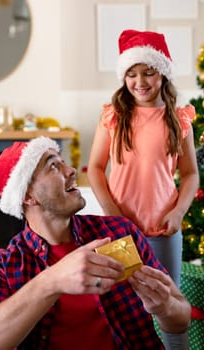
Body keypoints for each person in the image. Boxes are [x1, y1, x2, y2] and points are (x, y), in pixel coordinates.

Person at [0, 136, 190, 350]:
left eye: (63, 161)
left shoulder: (119, 232)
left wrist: (165, 307)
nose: (71, 170)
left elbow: (182, 318)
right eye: (54, 166)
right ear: (28, 195)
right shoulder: (4, 265)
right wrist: (51, 281)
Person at [88, 29, 199, 288]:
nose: (140, 81)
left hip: (163, 231)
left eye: (149, 72)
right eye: (131, 74)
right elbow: (95, 168)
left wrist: (178, 213)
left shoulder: (179, 120)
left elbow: (191, 174)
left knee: (166, 297)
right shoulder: (113, 117)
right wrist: (113, 215)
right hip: (119, 232)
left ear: (163, 74)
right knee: (124, 302)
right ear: (123, 77)